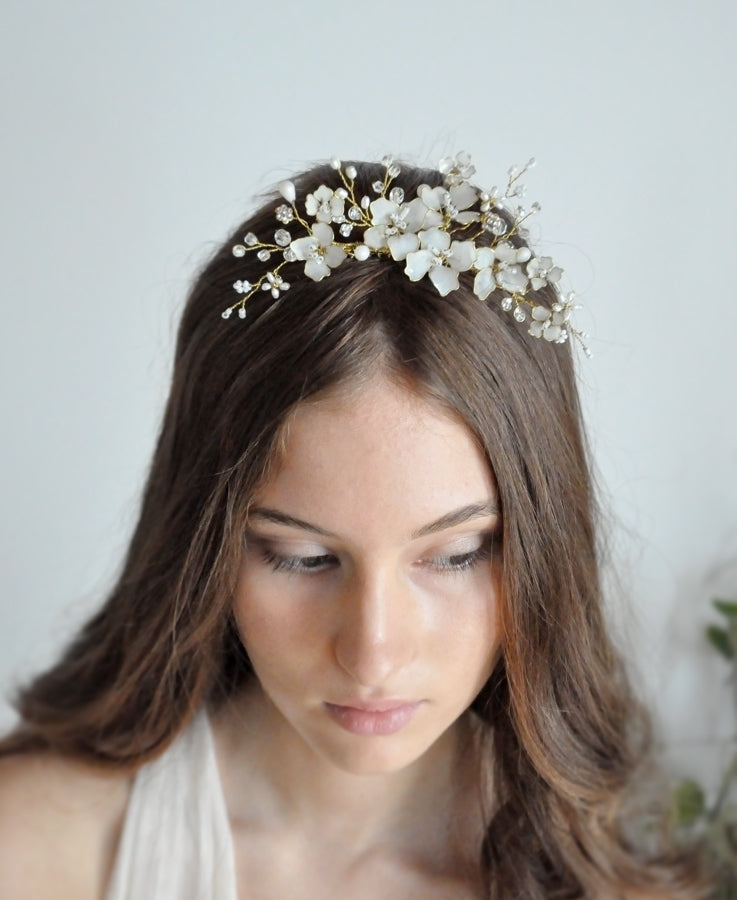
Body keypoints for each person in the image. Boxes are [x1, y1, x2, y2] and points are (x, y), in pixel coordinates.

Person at [0, 153, 706, 898]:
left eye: (456, 555)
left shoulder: (617, 888)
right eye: (302, 557)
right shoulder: (36, 850)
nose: (372, 653)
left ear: (541, 547)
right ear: (205, 547)